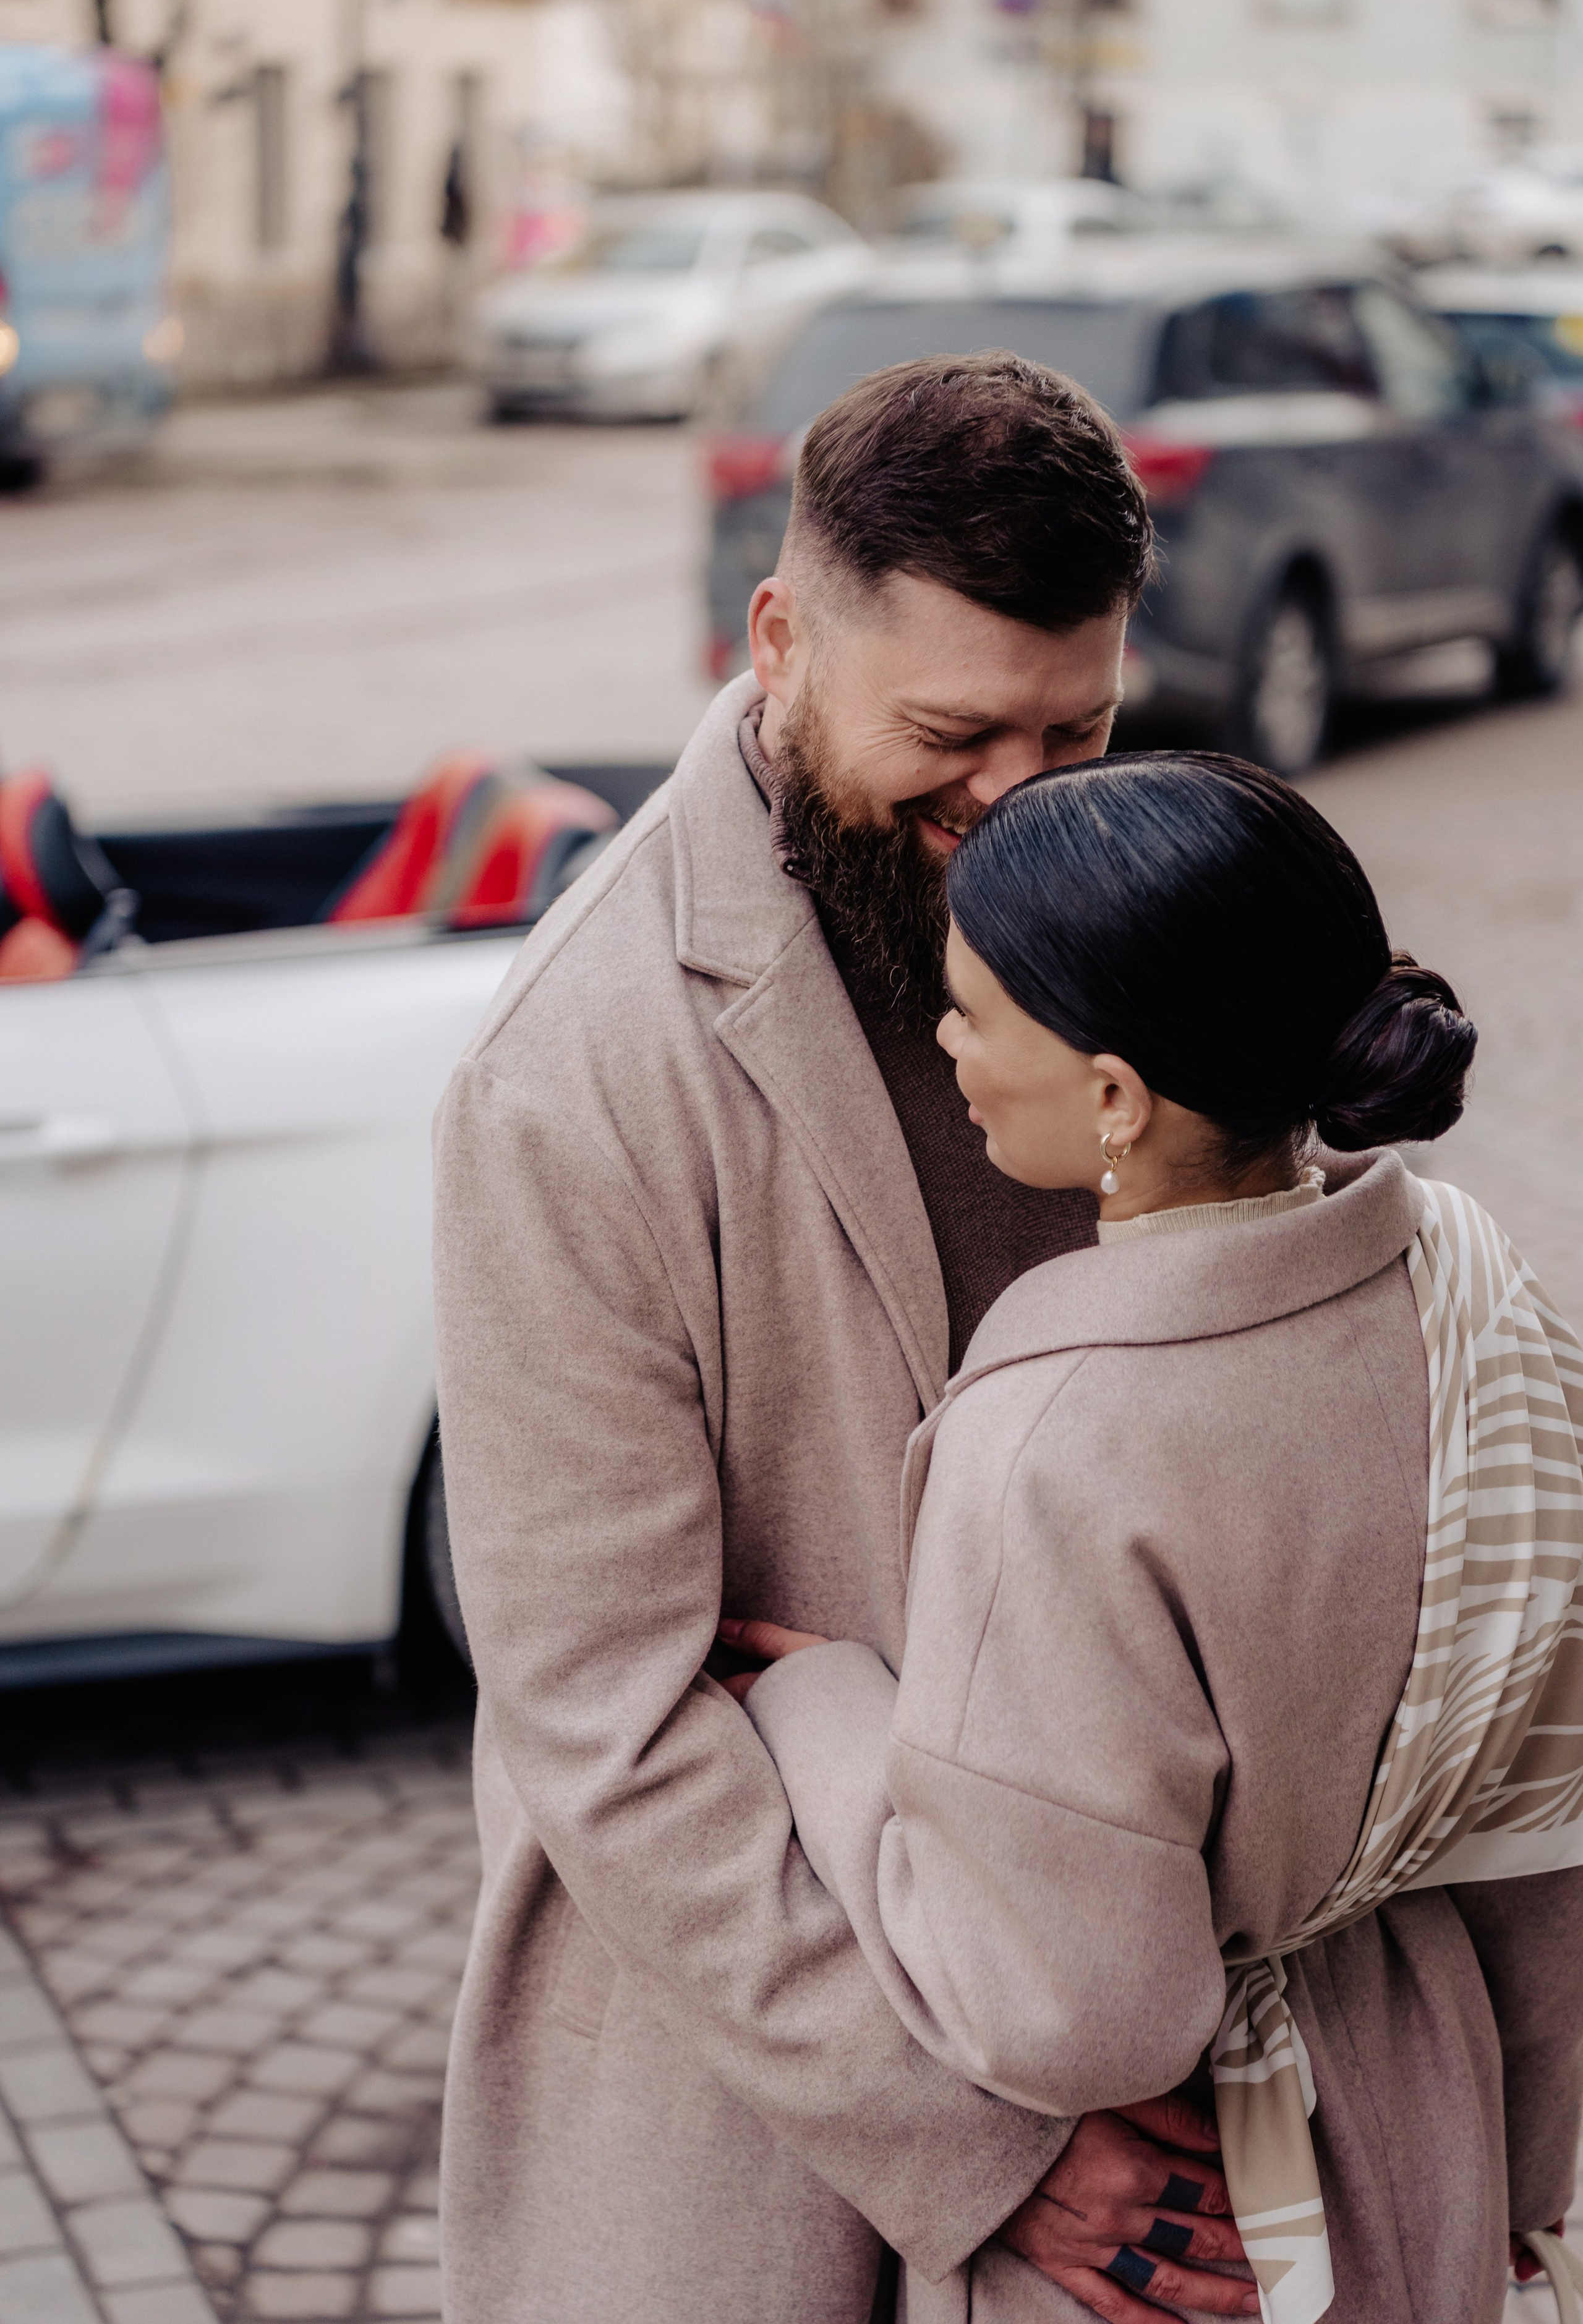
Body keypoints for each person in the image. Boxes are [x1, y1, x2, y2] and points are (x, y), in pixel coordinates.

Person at [431, 355, 1257, 2322]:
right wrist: (987, 2141)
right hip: (746, 2109)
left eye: (1077, 730)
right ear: (781, 640)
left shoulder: (1160, 925)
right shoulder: (566, 1079)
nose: (1022, 804)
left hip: (1145, 2035)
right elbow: (608, 1726)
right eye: (954, 735)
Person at [726, 752, 1583, 2324]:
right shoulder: (1481, 1299)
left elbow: (1075, 2013)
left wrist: (824, 1713)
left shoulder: (1054, 1443)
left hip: (1205, 2222)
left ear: (1114, 1098)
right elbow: (1545, 1839)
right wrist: (1516, 2184)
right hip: (1432, 2131)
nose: (945, 1043)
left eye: (971, 1011)